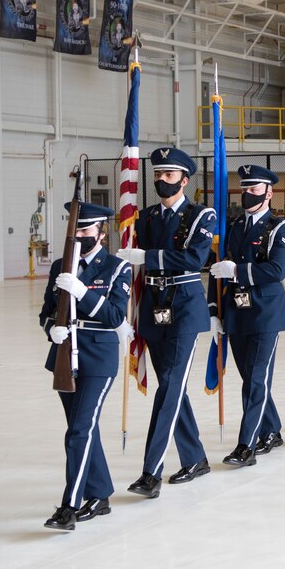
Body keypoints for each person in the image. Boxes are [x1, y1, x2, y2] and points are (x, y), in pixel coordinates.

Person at [117, 147, 215, 498]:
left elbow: (193, 258)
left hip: (184, 309)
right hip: (152, 309)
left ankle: (150, 471)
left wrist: (147, 256)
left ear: (184, 180)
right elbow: (132, 264)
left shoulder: (200, 216)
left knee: (169, 388)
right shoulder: (143, 219)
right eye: (157, 175)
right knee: (173, 390)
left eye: (169, 175)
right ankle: (195, 458)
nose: (161, 180)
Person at [39, 202, 132, 530]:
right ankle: (100, 493)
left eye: (86, 230)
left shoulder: (117, 268)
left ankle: (70, 505)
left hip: (97, 359)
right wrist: (52, 328)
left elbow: (114, 316)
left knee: (78, 431)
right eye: (75, 230)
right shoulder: (60, 266)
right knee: (82, 429)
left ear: (101, 233)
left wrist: (82, 293)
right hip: (64, 358)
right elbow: (46, 311)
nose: (79, 236)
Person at [210, 164, 285, 467]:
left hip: (265, 314)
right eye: (244, 188)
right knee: (250, 378)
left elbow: (276, 270)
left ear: (269, 193)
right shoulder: (233, 227)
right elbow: (217, 270)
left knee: (256, 380)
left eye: (254, 189)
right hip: (236, 311)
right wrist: (213, 310)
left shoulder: (281, 227)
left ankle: (247, 445)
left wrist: (237, 271)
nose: (247, 194)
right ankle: (271, 430)